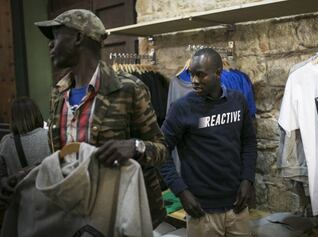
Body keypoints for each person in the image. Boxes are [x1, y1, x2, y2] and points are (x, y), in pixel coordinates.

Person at [34, 9, 168, 228]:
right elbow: (62, 158)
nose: (50, 45)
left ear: (78, 37)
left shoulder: (128, 89)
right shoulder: (58, 94)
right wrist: (25, 176)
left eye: (56, 36)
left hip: (120, 214)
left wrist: (134, 147)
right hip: (76, 214)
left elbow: (162, 149)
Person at [160, 48, 257, 237]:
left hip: (237, 206)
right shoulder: (181, 108)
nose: (194, 81)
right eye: (191, 74)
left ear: (218, 74)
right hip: (201, 211)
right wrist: (181, 191)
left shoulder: (237, 101)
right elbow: (161, 150)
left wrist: (248, 180)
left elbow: (249, 143)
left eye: (201, 75)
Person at [0, 97, 50, 206]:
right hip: (47, 199)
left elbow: (2, 176)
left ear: (13, 118)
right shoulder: (48, 136)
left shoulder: (6, 142)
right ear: (36, 113)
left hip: (21, 203)